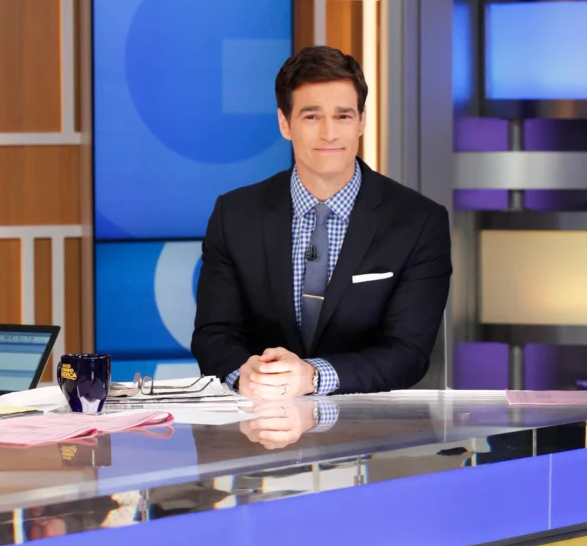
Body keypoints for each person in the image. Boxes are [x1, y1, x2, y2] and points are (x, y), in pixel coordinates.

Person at [192, 46, 452, 397]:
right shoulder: (234, 215)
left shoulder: (419, 222)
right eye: (312, 117)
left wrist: (312, 376)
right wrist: (243, 375)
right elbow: (214, 334)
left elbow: (408, 353)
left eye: (343, 116)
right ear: (285, 123)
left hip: (372, 433)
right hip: (261, 426)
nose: (329, 133)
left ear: (361, 121)